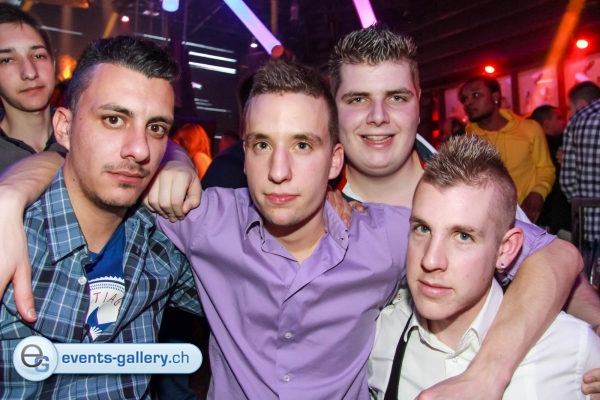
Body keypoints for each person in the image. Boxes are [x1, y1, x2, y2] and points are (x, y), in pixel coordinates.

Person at [0, 59, 562, 399]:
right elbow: (95, 164)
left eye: (303, 146)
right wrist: (12, 193)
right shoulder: (199, 218)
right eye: (262, 145)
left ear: (336, 161)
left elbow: (553, 257)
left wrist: (495, 372)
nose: (279, 171)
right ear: (242, 154)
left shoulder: (395, 237)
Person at [328, 24, 599, 398]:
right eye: (357, 99)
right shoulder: (312, 203)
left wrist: (488, 374)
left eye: (397, 97)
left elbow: (554, 258)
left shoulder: (465, 186)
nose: (378, 116)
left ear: (418, 102)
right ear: (332, 108)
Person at [0, 36, 202, 398]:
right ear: (64, 128)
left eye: (156, 128)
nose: (139, 149)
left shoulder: (162, 247)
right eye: (113, 119)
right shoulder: (13, 239)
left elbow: (256, 304)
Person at [369, 135, 600, 399]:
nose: (430, 260)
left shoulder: (571, 349)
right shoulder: (379, 338)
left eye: (463, 236)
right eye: (422, 229)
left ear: (506, 249)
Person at [459, 75, 555, 223]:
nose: (468, 103)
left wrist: (538, 192)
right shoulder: (467, 140)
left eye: (476, 95)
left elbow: (546, 168)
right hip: (490, 222)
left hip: (530, 219)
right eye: (464, 99)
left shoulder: (529, 129)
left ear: (495, 96)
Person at [0, 4, 64, 174]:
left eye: (38, 56)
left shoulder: (84, 135)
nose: (29, 73)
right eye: (7, 60)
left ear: (53, 64)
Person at [560, 81, 600, 269]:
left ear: (581, 103)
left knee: (592, 284)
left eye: (569, 107)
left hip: (592, 228)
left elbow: (567, 182)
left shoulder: (580, 120)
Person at [529, 105, 570, 237]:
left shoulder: (531, 147)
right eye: (559, 117)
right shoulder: (561, 144)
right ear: (546, 123)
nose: (563, 121)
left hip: (537, 216)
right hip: (557, 217)